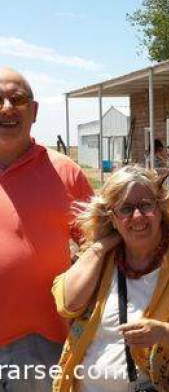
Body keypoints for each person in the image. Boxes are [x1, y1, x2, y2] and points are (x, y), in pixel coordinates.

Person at [51, 165, 169, 391]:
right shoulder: (102, 257)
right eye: (126, 209)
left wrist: (163, 333)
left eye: (145, 205)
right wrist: (101, 247)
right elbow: (68, 304)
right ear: (111, 216)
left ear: (160, 209)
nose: (137, 216)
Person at [0, 67, 93, 390]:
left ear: (34, 110)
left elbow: (100, 244)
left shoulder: (66, 173)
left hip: (42, 343)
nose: (8, 108)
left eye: (18, 99)